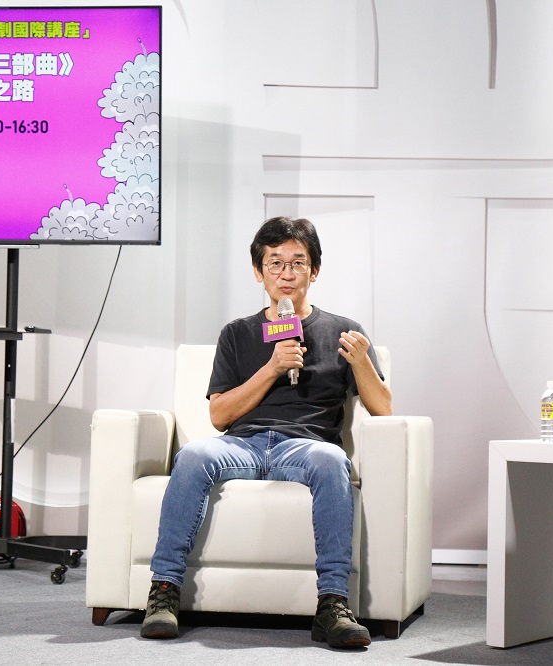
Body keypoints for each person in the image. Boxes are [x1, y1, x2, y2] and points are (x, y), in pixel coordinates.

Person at [140, 216, 392, 649]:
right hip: (243, 443)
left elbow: (383, 408)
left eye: (298, 263)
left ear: (314, 270)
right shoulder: (237, 333)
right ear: (259, 272)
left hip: (307, 447)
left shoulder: (343, 331)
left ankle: (333, 603)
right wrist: (273, 367)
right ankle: (164, 591)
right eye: (275, 263)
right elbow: (219, 415)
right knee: (195, 455)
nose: (286, 273)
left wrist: (362, 363)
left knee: (333, 460)